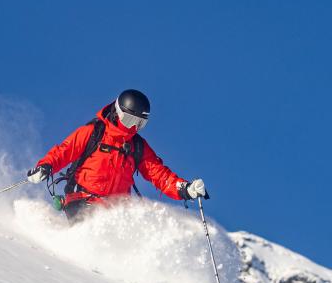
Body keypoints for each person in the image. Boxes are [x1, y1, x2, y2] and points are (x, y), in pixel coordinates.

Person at [26, 89, 207, 221]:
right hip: (83, 201)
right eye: (129, 121)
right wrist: (46, 166)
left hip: (116, 212)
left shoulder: (137, 146)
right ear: (118, 113)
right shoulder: (93, 132)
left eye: (140, 123)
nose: (133, 128)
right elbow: (64, 151)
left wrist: (184, 189)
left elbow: (159, 174)